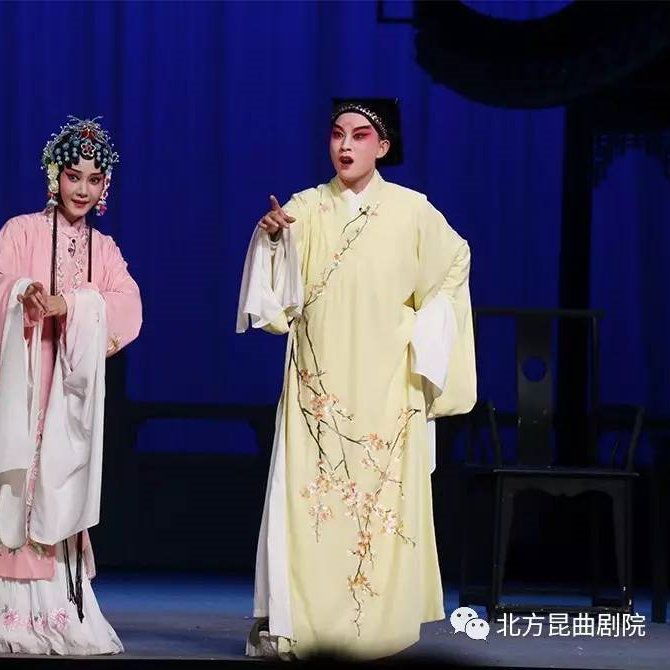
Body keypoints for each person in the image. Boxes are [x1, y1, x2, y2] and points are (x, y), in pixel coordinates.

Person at [236, 98, 476, 660]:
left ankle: (375, 630)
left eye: (360, 135)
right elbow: (276, 301)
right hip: (318, 384)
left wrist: (424, 331)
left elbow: (454, 262)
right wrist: (272, 238)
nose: (345, 145)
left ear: (383, 146)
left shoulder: (411, 210)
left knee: (377, 506)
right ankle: (298, 627)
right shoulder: (305, 208)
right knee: (311, 508)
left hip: (387, 382)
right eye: (337, 134)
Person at [0, 116, 141, 655]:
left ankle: (58, 612)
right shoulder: (20, 231)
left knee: (55, 486)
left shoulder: (105, 250)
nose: (82, 189)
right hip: (15, 384)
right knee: (6, 483)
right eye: (74, 176)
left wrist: (73, 304)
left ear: (105, 186)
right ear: (55, 176)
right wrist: (23, 292)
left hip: (65, 393)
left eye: (94, 179)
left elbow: (127, 304)